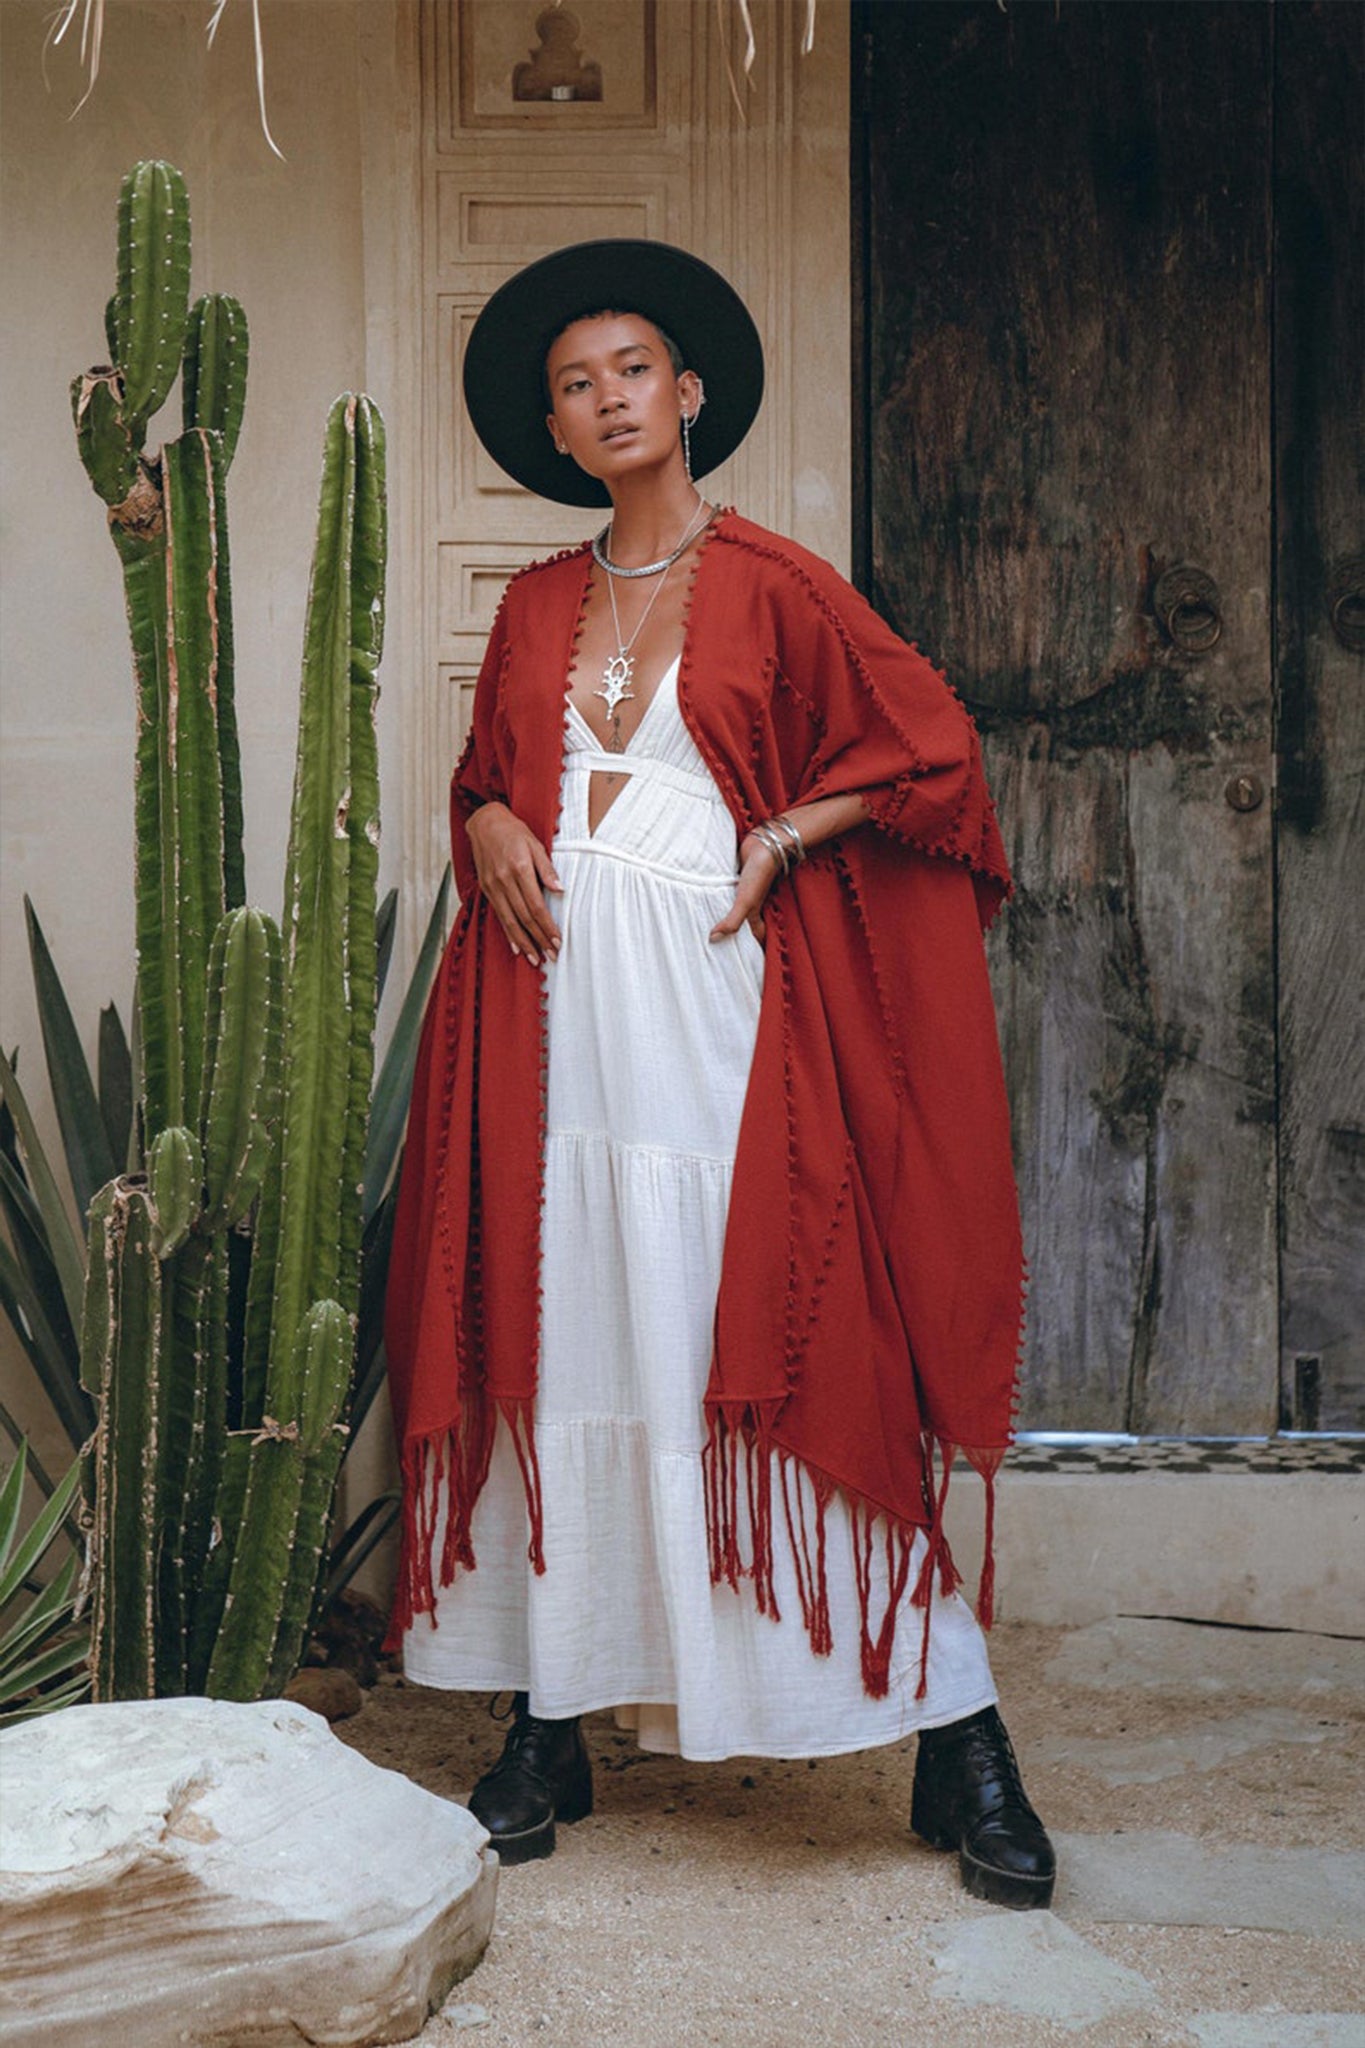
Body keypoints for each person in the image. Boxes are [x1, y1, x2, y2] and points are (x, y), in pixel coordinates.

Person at [385, 239, 1055, 1910]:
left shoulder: (776, 582)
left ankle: (955, 1734)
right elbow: (488, 779)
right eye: (575, 384)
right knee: (576, 1327)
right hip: (549, 1020)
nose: (607, 398)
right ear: (554, 430)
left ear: (687, 396)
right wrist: (486, 817)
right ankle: (551, 1720)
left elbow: (930, 755)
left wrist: (785, 831)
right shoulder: (533, 602)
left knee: (772, 1335)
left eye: (632, 370)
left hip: (715, 1005)